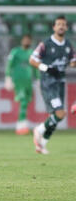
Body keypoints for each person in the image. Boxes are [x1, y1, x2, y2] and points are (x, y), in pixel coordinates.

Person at [29, 16, 76, 154]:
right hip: (48, 82)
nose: (61, 26)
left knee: (55, 117)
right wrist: (46, 68)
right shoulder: (46, 44)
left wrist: (72, 63)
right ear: (54, 27)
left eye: (63, 24)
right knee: (60, 113)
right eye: (58, 24)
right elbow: (32, 60)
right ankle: (39, 130)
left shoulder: (68, 45)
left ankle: (41, 144)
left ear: (66, 28)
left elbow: (73, 62)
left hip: (60, 82)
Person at [5, 35, 38, 135]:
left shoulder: (32, 53)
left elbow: (35, 67)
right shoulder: (15, 51)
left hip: (28, 81)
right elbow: (9, 65)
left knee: (26, 102)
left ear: (30, 42)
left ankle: (22, 124)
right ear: (22, 41)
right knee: (23, 101)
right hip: (18, 80)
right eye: (25, 40)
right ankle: (21, 125)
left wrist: (38, 79)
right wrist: (8, 77)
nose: (26, 41)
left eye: (28, 40)